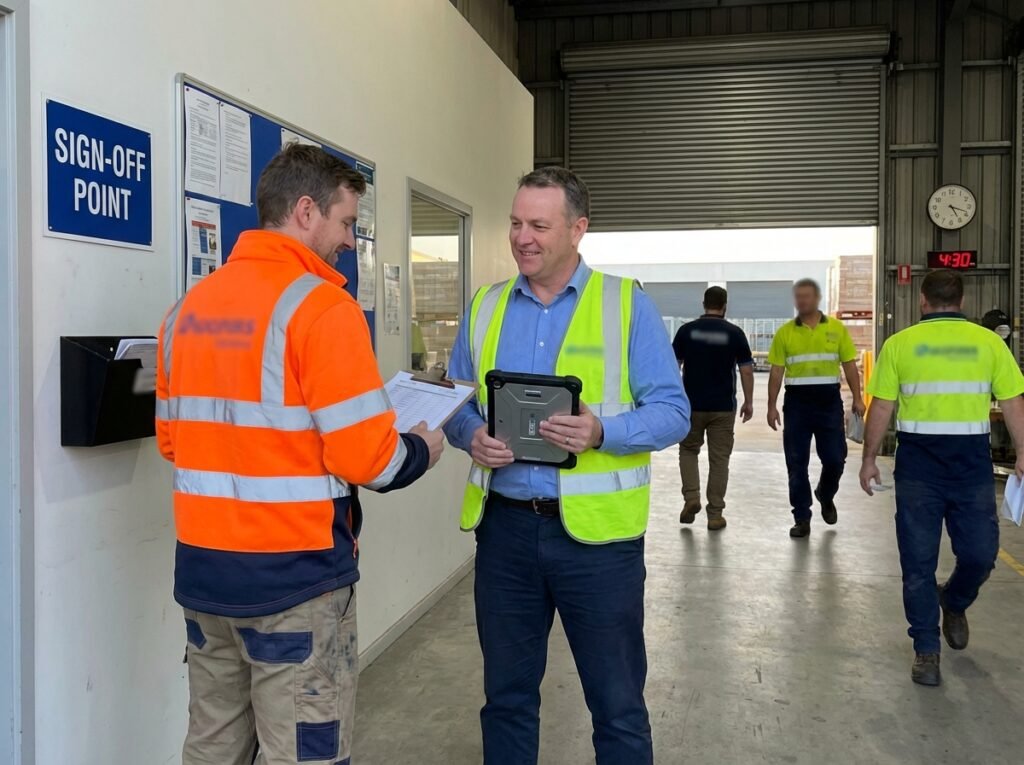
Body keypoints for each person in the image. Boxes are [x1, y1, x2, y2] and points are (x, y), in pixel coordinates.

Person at [155, 144, 445, 765]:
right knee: (304, 753)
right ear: (307, 211)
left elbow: (174, 442)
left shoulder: (186, 313)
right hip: (295, 582)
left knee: (212, 746)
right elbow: (371, 461)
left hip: (204, 579)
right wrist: (423, 447)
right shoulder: (322, 308)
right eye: (347, 223)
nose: (349, 242)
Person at [443, 167, 690, 765]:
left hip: (599, 546)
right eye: (515, 223)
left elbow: (673, 412)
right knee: (505, 700)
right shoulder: (486, 306)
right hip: (505, 534)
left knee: (617, 706)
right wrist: (471, 434)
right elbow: (454, 401)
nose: (521, 238)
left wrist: (604, 431)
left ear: (577, 229)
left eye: (538, 225)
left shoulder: (626, 305)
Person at [859, 269, 1024, 687]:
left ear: (923, 300)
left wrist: (868, 458)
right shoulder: (977, 342)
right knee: (924, 562)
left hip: (962, 468)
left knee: (976, 555)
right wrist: (869, 458)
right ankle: (926, 649)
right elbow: (1013, 402)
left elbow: (881, 407)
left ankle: (953, 600)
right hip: (924, 468)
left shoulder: (976, 343)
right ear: (962, 301)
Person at [767, 279, 865, 538]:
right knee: (796, 462)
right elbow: (776, 371)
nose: (802, 301)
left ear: (817, 299)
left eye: (807, 296)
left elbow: (849, 365)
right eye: (798, 297)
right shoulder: (785, 333)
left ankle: (825, 493)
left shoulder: (836, 329)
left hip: (828, 402)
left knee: (835, 458)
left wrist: (857, 397)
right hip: (797, 404)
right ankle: (802, 517)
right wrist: (771, 406)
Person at [672, 286, 754, 530]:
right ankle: (715, 515)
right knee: (719, 460)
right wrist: (749, 401)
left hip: (691, 406)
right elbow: (746, 371)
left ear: (703, 304)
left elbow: (673, 367)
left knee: (688, 450)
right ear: (725, 306)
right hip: (723, 407)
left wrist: (673, 399)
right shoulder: (734, 333)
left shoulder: (687, 331)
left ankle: (691, 498)